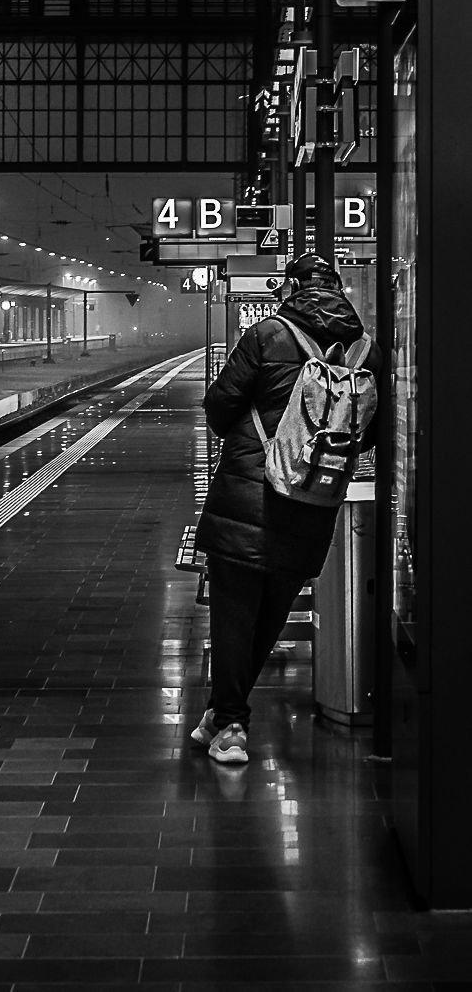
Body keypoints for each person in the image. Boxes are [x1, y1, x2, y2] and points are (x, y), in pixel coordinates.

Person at [192, 253, 380, 764]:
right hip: (312, 502)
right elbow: (369, 433)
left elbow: (219, 406)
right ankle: (221, 715)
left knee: (233, 616)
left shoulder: (267, 336)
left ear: (289, 290)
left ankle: (231, 725)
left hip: (247, 493)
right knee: (270, 615)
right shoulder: (364, 349)